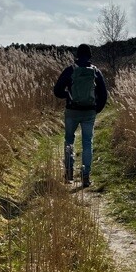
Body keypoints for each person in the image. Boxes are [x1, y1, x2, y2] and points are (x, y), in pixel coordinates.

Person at [53, 44, 108, 188]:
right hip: (89, 112)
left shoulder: (70, 70)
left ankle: (69, 174)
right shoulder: (95, 71)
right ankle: (85, 176)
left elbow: (57, 91)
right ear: (90, 55)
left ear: (77, 55)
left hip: (72, 111)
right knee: (87, 143)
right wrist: (96, 109)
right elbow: (103, 95)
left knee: (69, 140)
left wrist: (68, 95)